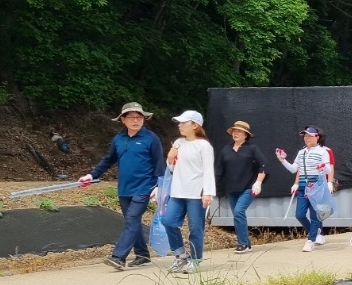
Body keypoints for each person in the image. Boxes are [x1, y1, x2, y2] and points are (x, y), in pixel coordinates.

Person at [80, 102, 165, 271]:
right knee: (131, 222)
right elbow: (107, 160)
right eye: (132, 117)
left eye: (139, 117)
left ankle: (118, 257)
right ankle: (142, 255)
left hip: (144, 187)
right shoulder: (118, 139)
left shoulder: (151, 138)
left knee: (132, 220)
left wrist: (159, 186)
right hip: (124, 188)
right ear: (123, 120)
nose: (136, 120)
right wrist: (91, 175)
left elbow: (159, 163)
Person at [163, 110, 215, 273]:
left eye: (183, 123)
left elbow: (208, 170)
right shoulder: (178, 142)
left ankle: (195, 259)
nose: (180, 126)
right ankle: (180, 255)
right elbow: (172, 169)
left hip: (196, 193)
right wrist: (170, 158)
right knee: (169, 221)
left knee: (195, 227)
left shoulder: (204, 146)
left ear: (195, 125)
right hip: (178, 191)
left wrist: (208, 192)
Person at [277, 126, 332, 252]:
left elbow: (328, 169)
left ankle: (310, 240)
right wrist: (283, 160)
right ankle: (315, 231)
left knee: (314, 216)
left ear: (317, 137)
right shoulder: (301, 153)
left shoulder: (323, 152)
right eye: (305, 136)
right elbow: (294, 169)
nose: (307, 138)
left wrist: (322, 168)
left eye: (309, 136)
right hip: (303, 187)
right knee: (299, 214)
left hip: (316, 187)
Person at [216, 120, 266, 253]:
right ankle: (247, 243)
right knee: (237, 215)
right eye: (234, 131)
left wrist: (258, 182)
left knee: (239, 212)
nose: (235, 133)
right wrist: (212, 187)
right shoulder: (226, 149)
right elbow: (219, 170)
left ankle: (242, 243)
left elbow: (263, 166)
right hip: (232, 188)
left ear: (246, 134)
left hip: (249, 187)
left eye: (239, 131)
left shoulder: (252, 149)